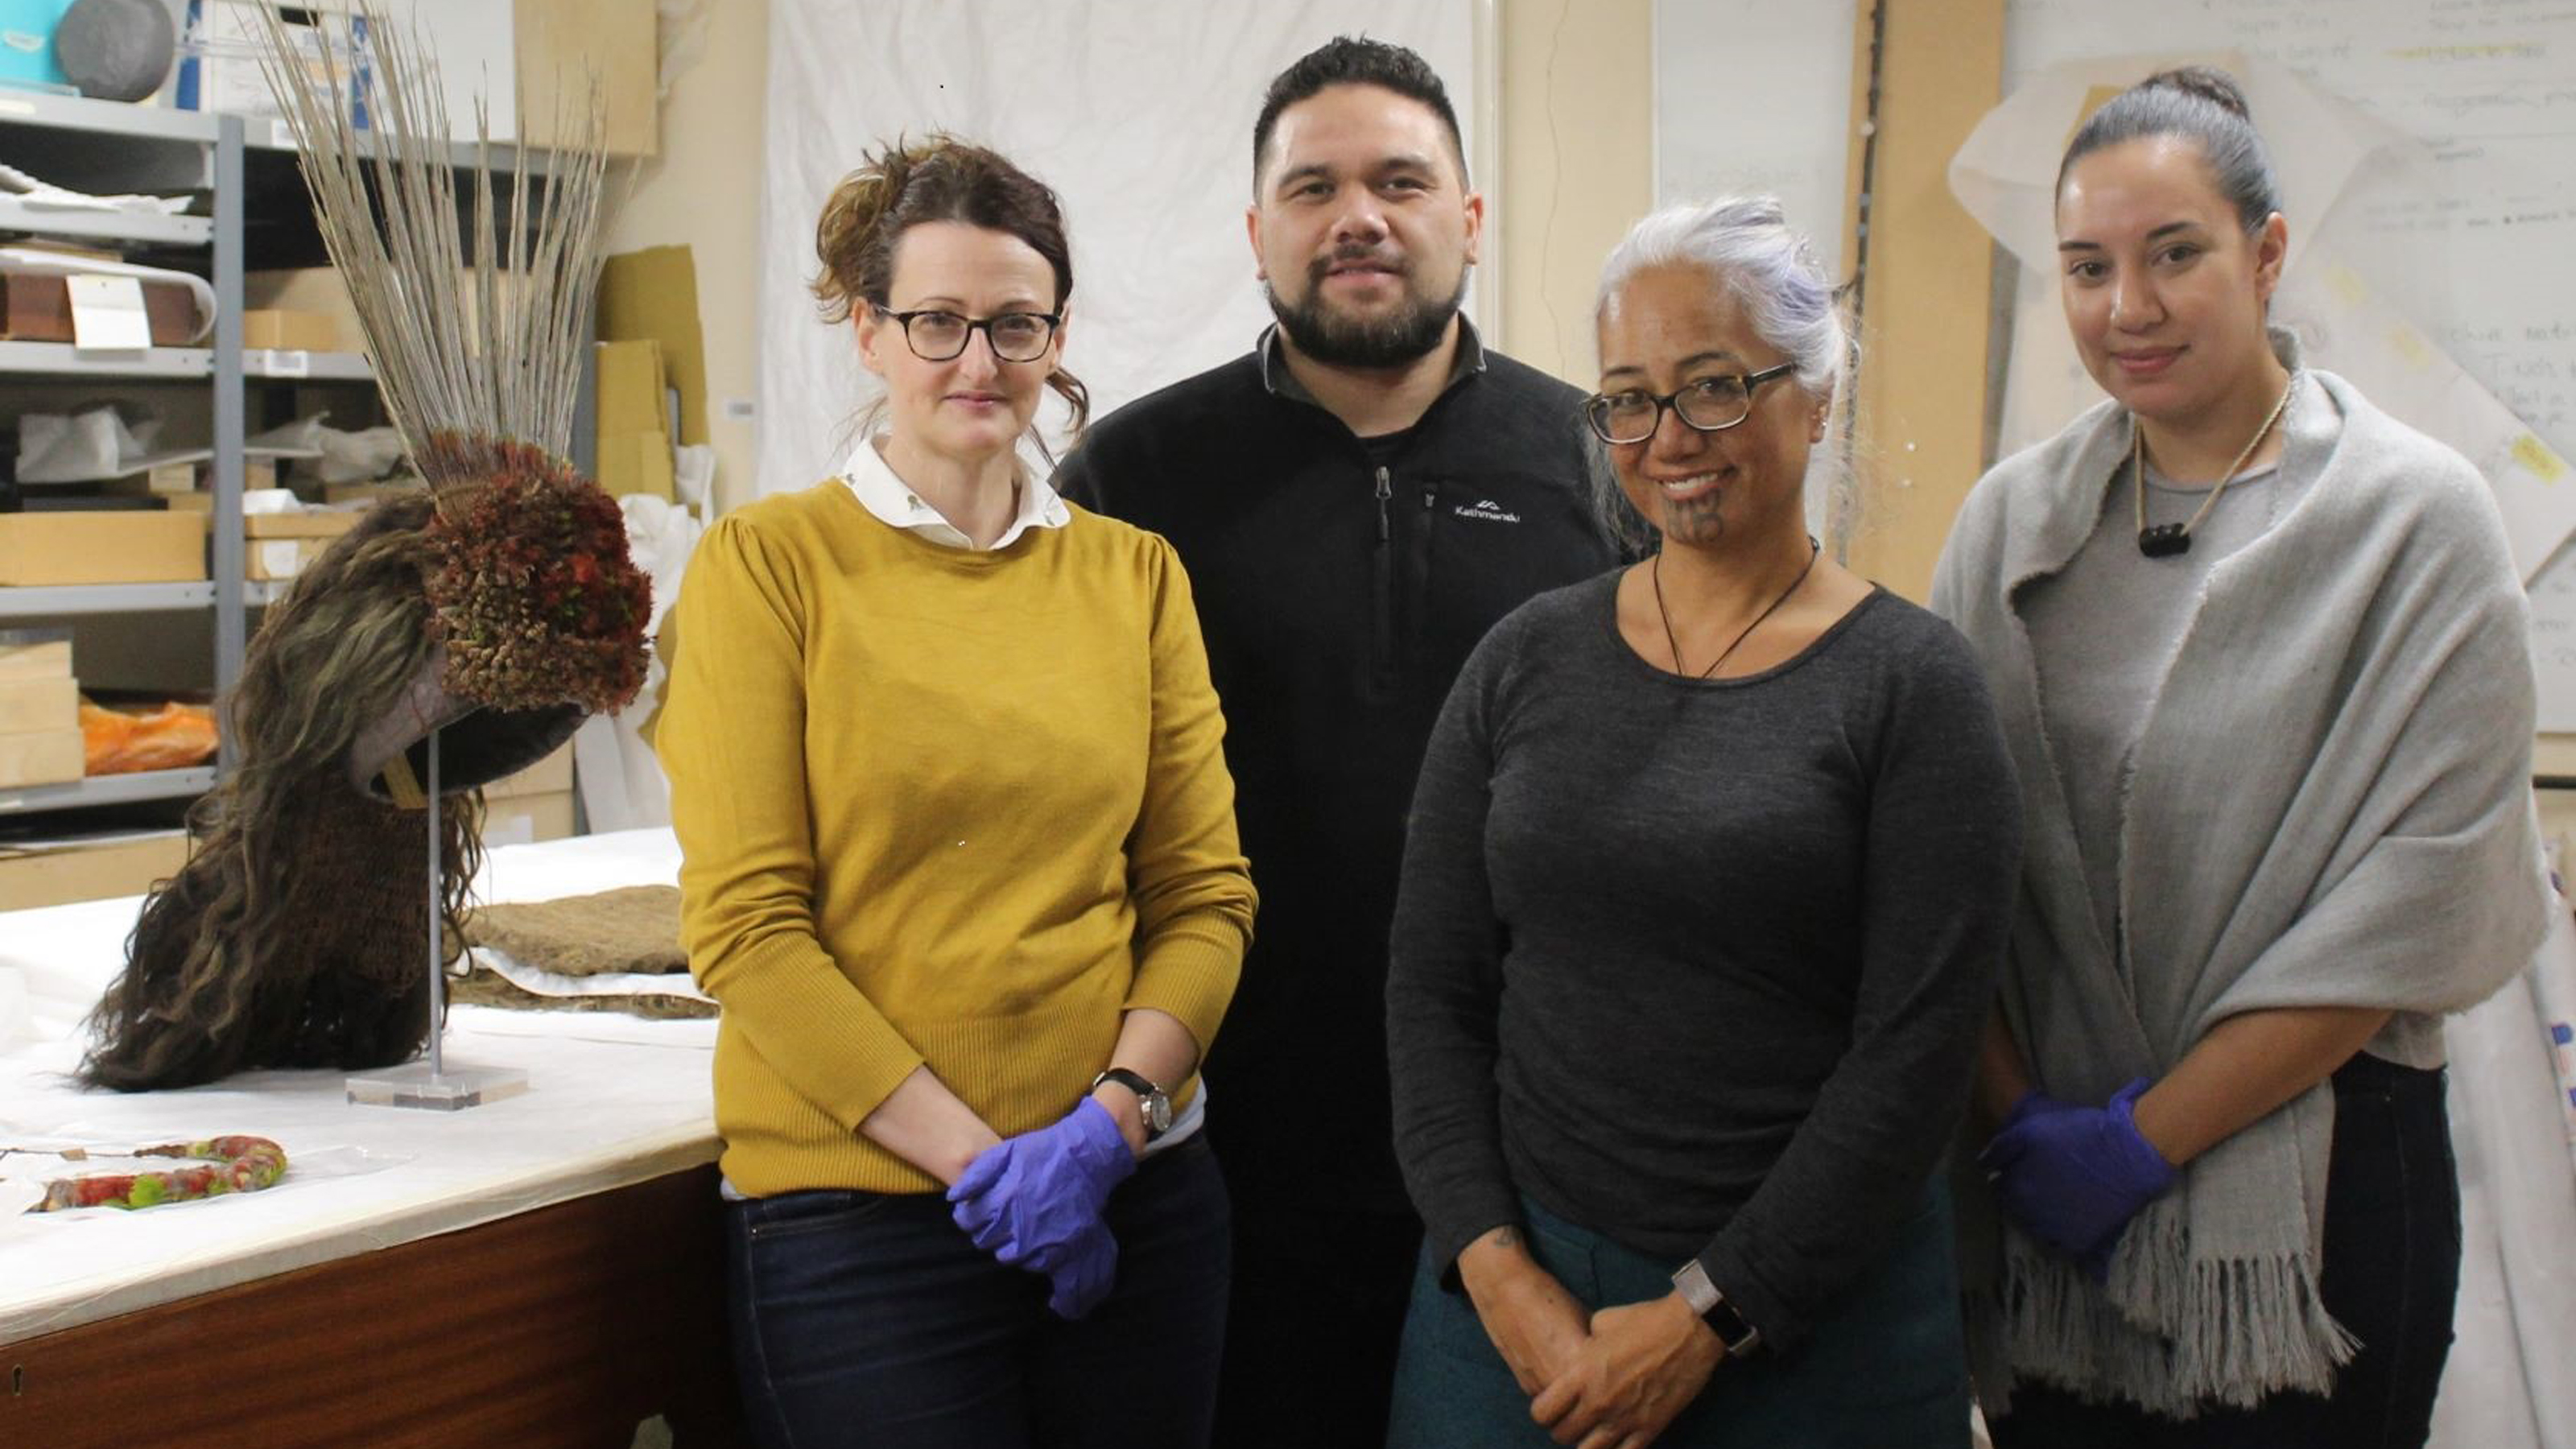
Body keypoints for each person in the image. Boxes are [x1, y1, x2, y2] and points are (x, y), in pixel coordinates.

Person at [1930, 68, 2549, 1446]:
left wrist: (2144, 1144)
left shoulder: (2413, 520)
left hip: (2326, 1195)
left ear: (2268, 253)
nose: (2126, 308)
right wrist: (2027, 1119)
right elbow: (1941, 853)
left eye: (2174, 255)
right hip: (2044, 1188)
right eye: (2086, 267)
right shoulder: (2010, 525)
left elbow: (2423, 897)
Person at [1382, 195, 2021, 1449]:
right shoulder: (1525, 661)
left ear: (1817, 393)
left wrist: (1711, 1315)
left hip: (1811, 1322)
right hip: (1517, 1316)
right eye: (1628, 396)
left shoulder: (1914, 687)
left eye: (1715, 386)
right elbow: (1431, 990)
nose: (1668, 436)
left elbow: (1916, 1057)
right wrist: (1499, 1278)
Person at [655, 137, 1257, 1449]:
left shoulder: (1134, 576)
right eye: (937, 322)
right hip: (860, 1232)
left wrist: (1109, 1130)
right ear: (868, 331)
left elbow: (1205, 897)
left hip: (1137, 1197)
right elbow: (751, 930)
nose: (977, 362)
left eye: (1012, 323)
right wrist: (991, 1172)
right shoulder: (770, 568)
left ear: (1055, 335)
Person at [1053, 36, 1612, 1445]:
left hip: (1532, 1159)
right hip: (1217, 1151)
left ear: (1469, 221)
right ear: (1259, 234)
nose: (1357, 215)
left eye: (1399, 181)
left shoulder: (1598, 465)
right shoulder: (1131, 480)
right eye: (1313, 188)